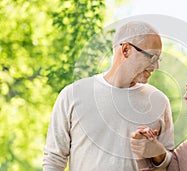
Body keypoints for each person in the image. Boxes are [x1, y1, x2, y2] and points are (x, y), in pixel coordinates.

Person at [43, 21, 174, 171]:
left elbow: (171, 164)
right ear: (126, 50)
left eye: (158, 59)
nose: (156, 66)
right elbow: (54, 160)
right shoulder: (73, 94)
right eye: (152, 57)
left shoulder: (159, 101)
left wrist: (157, 152)